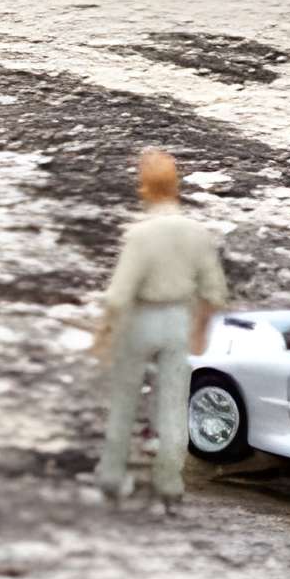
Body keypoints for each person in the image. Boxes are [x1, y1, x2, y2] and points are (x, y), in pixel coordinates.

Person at [96, 147, 229, 514]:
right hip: (177, 320)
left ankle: (111, 477)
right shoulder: (198, 233)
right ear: (176, 186)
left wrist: (105, 333)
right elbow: (214, 291)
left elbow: (119, 294)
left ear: (144, 188)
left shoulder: (139, 235)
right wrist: (201, 330)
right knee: (172, 405)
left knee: (123, 402)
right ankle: (170, 485)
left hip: (142, 319)